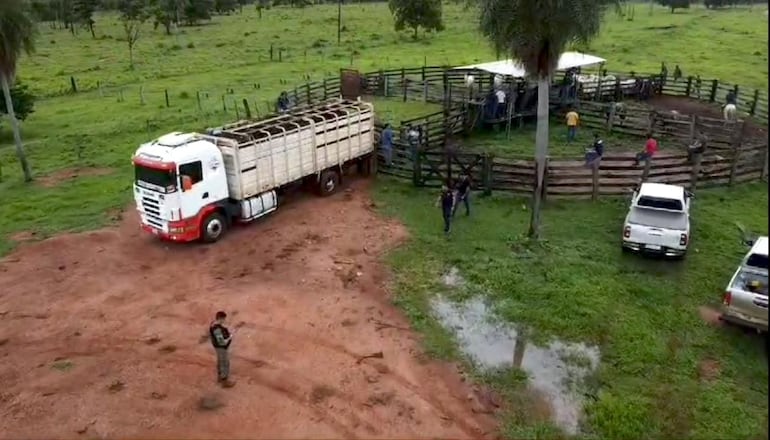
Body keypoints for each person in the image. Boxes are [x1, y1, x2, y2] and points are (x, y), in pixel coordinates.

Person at [209, 311, 235, 388]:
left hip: (217, 347)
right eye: (223, 319)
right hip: (221, 348)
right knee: (225, 362)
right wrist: (230, 337)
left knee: (220, 361)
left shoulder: (213, 324)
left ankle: (220, 377)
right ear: (220, 319)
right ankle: (224, 381)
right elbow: (222, 342)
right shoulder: (217, 330)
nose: (224, 321)